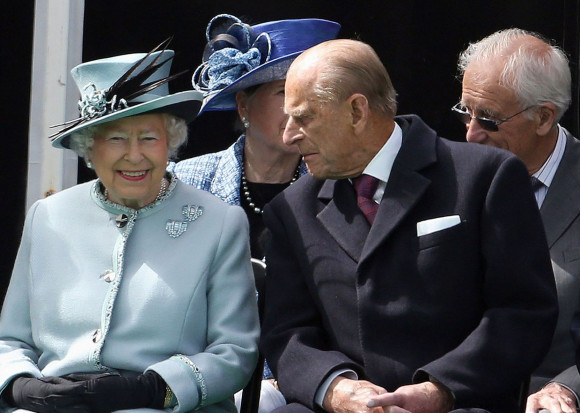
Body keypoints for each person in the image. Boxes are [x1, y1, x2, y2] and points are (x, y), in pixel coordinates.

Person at [259, 38, 558, 413]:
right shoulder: (291, 209)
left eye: (303, 118)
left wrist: (439, 389)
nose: (288, 136)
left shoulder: (485, 177)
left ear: (356, 111)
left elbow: (523, 312)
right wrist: (335, 388)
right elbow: (287, 335)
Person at [0, 40, 259, 413]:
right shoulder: (48, 217)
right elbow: (11, 340)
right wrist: (24, 389)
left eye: (149, 138)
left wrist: (151, 390)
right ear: (90, 148)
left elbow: (234, 353)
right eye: (117, 138)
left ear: (170, 142)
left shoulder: (220, 223)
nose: (134, 155)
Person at [454, 28, 580, 413]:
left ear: (544, 117)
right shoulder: (446, 176)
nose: (471, 135)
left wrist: (570, 388)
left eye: (489, 120)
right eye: (465, 112)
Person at [169, 14, 340, 260]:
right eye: (283, 92)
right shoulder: (184, 183)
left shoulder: (335, 186)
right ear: (243, 105)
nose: (301, 108)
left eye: (312, 94)